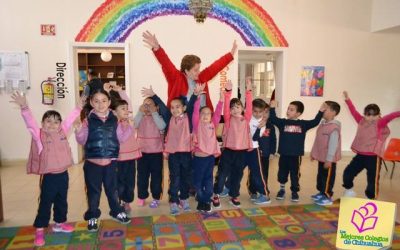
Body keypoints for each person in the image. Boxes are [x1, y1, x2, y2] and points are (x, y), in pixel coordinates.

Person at [10, 91, 83, 247]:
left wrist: (79, 107)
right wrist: (24, 106)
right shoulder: (39, 135)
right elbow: (30, 122)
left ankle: (59, 223)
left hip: (63, 175)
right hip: (49, 177)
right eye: (48, 121)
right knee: (45, 203)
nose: (52, 124)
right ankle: (40, 229)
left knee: (61, 202)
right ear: (42, 124)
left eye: (56, 121)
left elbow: (70, 119)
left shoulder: (62, 131)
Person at [75, 89, 132, 232]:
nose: (100, 104)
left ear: (109, 102)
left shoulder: (115, 119)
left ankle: (116, 211)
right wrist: (78, 130)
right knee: (94, 191)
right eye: (96, 101)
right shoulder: (88, 120)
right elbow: (82, 140)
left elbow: (121, 139)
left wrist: (128, 126)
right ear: (91, 102)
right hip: (93, 162)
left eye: (104, 101)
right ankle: (93, 215)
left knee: (112, 189)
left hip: (111, 161)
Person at [142, 31, 237, 110]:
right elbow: (166, 63)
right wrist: (157, 48)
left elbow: (215, 67)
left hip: (202, 122)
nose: (199, 72)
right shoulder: (176, 78)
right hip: (183, 124)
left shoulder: (201, 78)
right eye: (195, 70)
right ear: (186, 71)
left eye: (199, 68)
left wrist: (230, 55)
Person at [143, 85, 198, 215]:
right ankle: (173, 201)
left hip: (186, 154)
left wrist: (195, 94)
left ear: (184, 108)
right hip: (173, 155)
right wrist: (154, 94)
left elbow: (190, 106)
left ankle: (183, 199)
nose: (174, 109)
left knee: (185, 178)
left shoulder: (187, 118)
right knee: (175, 178)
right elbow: (162, 105)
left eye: (178, 106)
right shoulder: (169, 118)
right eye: (172, 107)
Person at [342, 91, 400, 199]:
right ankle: (349, 190)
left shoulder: (380, 122)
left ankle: (370, 198)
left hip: (373, 157)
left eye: (375, 115)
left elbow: (391, 116)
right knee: (347, 173)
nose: (372, 118)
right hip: (360, 156)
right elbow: (353, 111)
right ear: (365, 114)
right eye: (369, 115)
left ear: (378, 114)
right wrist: (347, 100)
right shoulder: (361, 120)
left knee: (372, 180)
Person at [270, 100, 327, 202]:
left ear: (298, 113)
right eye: (288, 108)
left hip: (296, 156)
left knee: (294, 174)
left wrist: (320, 112)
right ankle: (282, 189)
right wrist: (272, 108)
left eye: (291, 110)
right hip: (284, 155)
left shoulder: (303, 124)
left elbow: (315, 122)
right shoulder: (283, 122)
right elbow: (273, 119)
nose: (288, 111)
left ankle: (294, 191)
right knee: (282, 173)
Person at [212, 79, 252, 209]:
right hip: (228, 152)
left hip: (241, 153)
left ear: (242, 108)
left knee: (237, 175)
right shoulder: (228, 120)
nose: (235, 109)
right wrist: (228, 92)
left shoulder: (246, 119)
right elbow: (226, 108)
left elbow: (250, 107)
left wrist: (248, 92)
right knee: (222, 174)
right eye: (232, 107)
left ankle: (233, 195)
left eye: (238, 107)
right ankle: (216, 194)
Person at [192, 85, 223, 213]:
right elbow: (194, 113)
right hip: (199, 159)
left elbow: (217, 113)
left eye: (208, 114)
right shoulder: (197, 124)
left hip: (210, 159)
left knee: (208, 180)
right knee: (198, 181)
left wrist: (221, 99)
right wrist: (198, 98)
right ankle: (202, 200)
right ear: (199, 116)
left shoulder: (213, 124)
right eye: (202, 113)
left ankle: (205, 198)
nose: (205, 115)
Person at [134, 88, 166, 209]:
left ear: (156, 108)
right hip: (142, 153)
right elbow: (134, 124)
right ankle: (142, 196)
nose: (147, 107)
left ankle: (156, 197)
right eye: (145, 105)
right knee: (142, 176)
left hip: (156, 153)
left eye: (150, 105)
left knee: (156, 177)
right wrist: (140, 112)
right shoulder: (140, 117)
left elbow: (162, 126)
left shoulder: (158, 118)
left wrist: (154, 113)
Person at [112, 85, 142, 214]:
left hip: (131, 158)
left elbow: (127, 102)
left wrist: (121, 91)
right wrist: (130, 127)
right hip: (120, 159)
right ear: (115, 112)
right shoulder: (116, 124)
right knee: (120, 182)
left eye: (126, 109)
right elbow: (122, 138)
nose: (126, 110)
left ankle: (127, 201)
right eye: (122, 109)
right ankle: (120, 201)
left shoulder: (128, 120)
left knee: (130, 182)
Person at [310, 101, 341, 206]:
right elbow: (317, 140)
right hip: (321, 157)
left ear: (333, 112)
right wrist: (313, 153)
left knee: (328, 177)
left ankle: (327, 196)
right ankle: (321, 192)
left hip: (328, 159)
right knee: (321, 176)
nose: (322, 110)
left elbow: (333, 145)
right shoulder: (322, 124)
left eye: (325, 108)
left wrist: (329, 159)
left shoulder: (334, 127)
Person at [248, 99, 277, 204]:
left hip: (265, 155)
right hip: (255, 153)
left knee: (264, 173)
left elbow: (273, 140)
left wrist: (272, 152)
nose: (263, 115)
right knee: (253, 173)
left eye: (266, 112)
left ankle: (263, 190)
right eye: (260, 112)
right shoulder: (253, 123)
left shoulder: (270, 126)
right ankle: (253, 190)